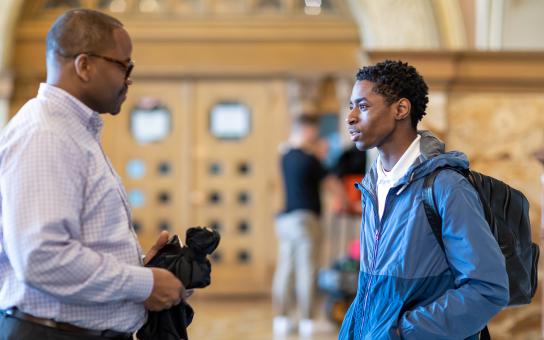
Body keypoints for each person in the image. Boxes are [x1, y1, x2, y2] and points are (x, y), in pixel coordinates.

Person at [0, 9, 185, 340]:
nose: (128, 79)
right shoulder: (45, 134)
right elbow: (42, 258)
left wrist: (138, 265)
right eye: (124, 66)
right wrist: (144, 284)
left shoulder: (72, 131)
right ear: (84, 65)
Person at [338, 60, 509, 339]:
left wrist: (403, 333)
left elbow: (487, 288)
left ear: (400, 109)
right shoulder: (373, 185)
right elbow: (373, 289)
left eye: (364, 106)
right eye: (351, 106)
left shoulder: (446, 186)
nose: (351, 117)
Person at [272, 114, 328, 337]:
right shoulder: (310, 158)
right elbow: (329, 178)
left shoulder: (284, 155)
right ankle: (307, 320)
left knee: (285, 269)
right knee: (307, 270)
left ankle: (281, 318)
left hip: (285, 220)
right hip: (305, 218)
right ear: (307, 130)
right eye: (314, 130)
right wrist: (320, 154)